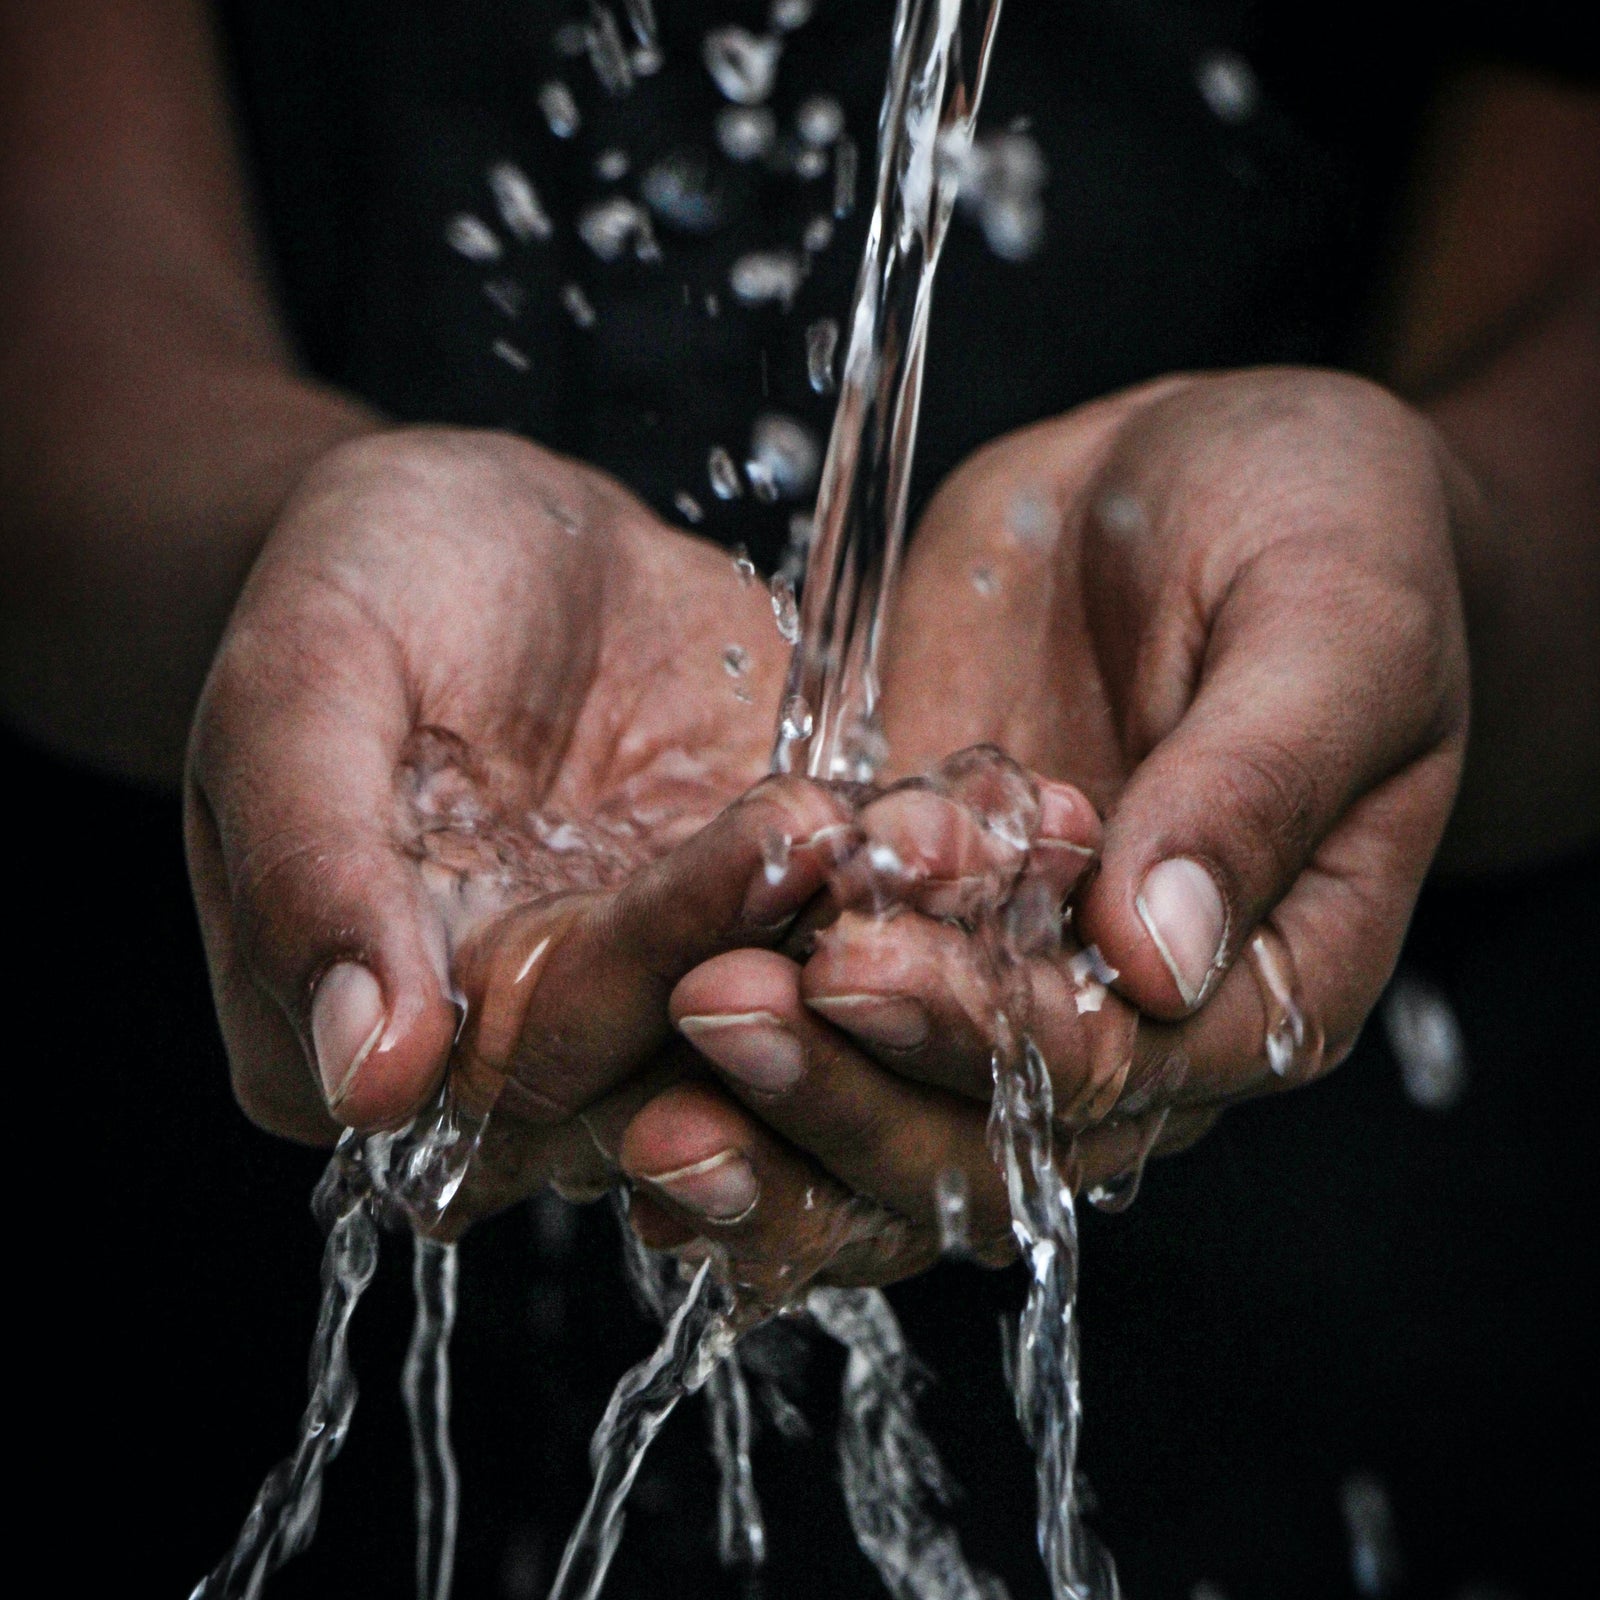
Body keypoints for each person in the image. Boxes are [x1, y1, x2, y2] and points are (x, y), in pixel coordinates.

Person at [2, 0, 1596, 1589]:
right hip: (175, 1214)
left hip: (1306, 1281)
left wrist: (1434, 555)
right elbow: (62, 317)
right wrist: (285, 558)